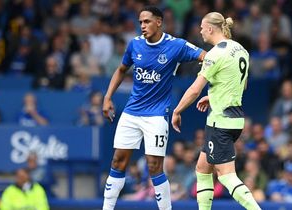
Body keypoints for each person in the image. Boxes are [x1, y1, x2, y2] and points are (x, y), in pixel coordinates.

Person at [101, 6, 205, 210]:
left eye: (147, 21)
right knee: (117, 162)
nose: (142, 26)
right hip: (131, 113)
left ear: (159, 22)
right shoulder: (135, 45)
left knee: (154, 167)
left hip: (156, 116)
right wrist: (107, 97)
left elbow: (206, 56)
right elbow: (121, 69)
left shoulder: (175, 45)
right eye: (140, 22)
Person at [171, 12, 261, 210]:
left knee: (226, 176)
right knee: (202, 168)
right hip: (235, 119)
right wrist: (213, 96)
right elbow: (240, 85)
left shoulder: (215, 54)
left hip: (221, 121)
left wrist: (177, 111)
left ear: (210, 28)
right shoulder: (241, 49)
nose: (200, 31)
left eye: (202, 27)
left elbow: (194, 89)